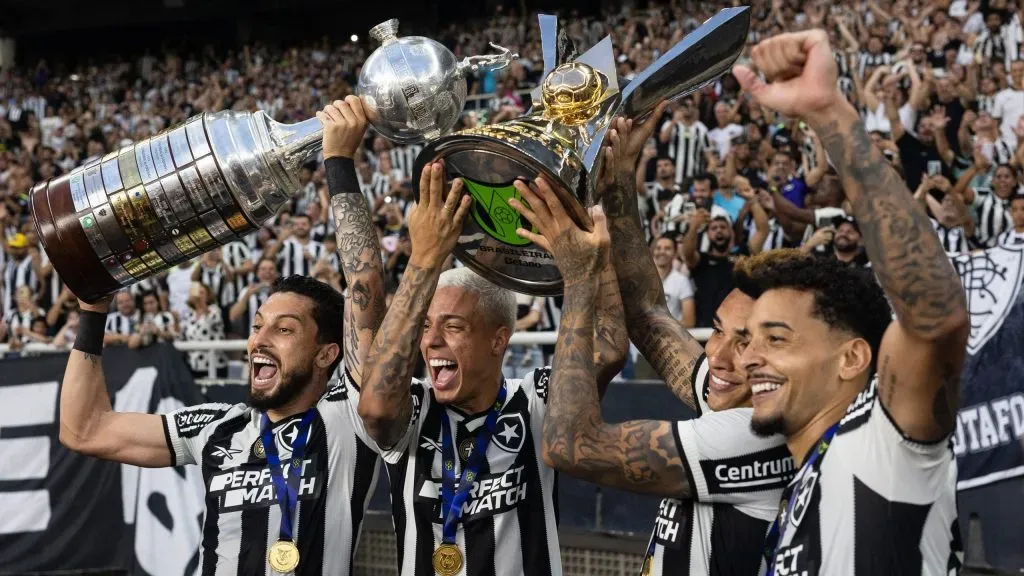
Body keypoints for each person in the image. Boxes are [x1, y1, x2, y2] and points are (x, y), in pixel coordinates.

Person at [58, 95, 387, 576]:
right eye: (257, 328)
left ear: (327, 355)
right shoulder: (218, 426)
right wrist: (93, 309)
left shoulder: (348, 418)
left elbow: (364, 289)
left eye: (284, 329)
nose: (258, 341)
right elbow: (83, 429)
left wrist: (337, 161)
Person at [513, 111, 792, 576]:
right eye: (717, 330)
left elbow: (567, 446)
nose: (717, 356)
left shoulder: (754, 431)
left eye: (744, 343)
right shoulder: (733, 392)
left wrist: (580, 279)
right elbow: (647, 313)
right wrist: (619, 178)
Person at [730, 30, 966, 574]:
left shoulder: (881, 440)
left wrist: (826, 110)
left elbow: (937, 320)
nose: (748, 358)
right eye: (749, 339)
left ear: (853, 358)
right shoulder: (800, 480)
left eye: (776, 338)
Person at [355, 160, 628, 575]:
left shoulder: (535, 399)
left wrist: (594, 238)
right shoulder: (413, 409)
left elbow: (609, 349)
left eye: (453, 326)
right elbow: (373, 407)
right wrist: (424, 259)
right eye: (427, 326)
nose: (430, 341)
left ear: (498, 340)